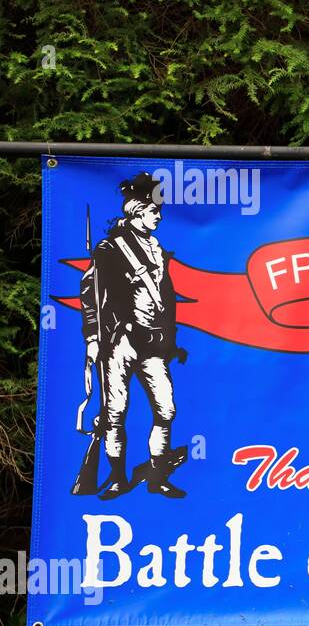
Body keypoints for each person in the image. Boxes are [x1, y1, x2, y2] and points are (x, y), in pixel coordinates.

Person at [80, 172, 188, 499]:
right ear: (138, 210)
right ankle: (116, 477)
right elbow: (90, 294)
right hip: (119, 341)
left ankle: (157, 473)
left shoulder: (156, 248)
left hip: (154, 343)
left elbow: (164, 298)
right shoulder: (110, 248)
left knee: (165, 410)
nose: (160, 215)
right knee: (115, 412)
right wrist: (93, 338)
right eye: (155, 210)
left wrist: (170, 339)